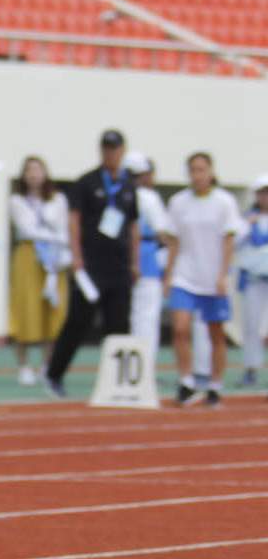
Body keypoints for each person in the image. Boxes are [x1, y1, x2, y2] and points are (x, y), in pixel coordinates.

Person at [43, 129, 139, 399]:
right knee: (77, 322)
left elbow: (133, 226)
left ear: (122, 151)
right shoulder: (87, 182)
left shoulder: (129, 186)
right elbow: (73, 220)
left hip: (119, 267)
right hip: (91, 267)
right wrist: (77, 258)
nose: (110, 153)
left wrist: (135, 262)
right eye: (106, 148)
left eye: (115, 148)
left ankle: (117, 382)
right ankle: (54, 375)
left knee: (119, 325)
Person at [163, 152, 242, 407]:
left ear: (210, 171)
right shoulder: (178, 202)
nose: (197, 175)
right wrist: (169, 274)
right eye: (193, 170)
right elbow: (173, 240)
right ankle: (186, 381)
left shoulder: (224, 202)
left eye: (201, 170)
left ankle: (215, 385)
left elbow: (228, 241)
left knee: (215, 333)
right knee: (180, 328)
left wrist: (222, 275)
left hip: (212, 278)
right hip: (185, 276)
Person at [7, 155, 69, 385]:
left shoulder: (58, 199)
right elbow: (27, 229)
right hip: (30, 256)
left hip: (54, 258)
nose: (34, 174)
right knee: (26, 307)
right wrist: (55, 235)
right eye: (29, 170)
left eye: (38, 169)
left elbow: (64, 227)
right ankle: (24, 364)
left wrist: (59, 241)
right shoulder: (17, 200)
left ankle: (47, 363)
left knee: (53, 310)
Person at [126, 153, 173, 389]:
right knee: (147, 318)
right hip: (146, 260)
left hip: (122, 260)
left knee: (130, 318)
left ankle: (129, 371)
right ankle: (145, 370)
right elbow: (163, 231)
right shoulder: (148, 197)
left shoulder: (117, 195)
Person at [239, 174, 268, 389]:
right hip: (253, 280)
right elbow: (236, 244)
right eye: (263, 192)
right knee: (251, 326)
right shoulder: (247, 219)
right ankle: (250, 369)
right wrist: (247, 225)